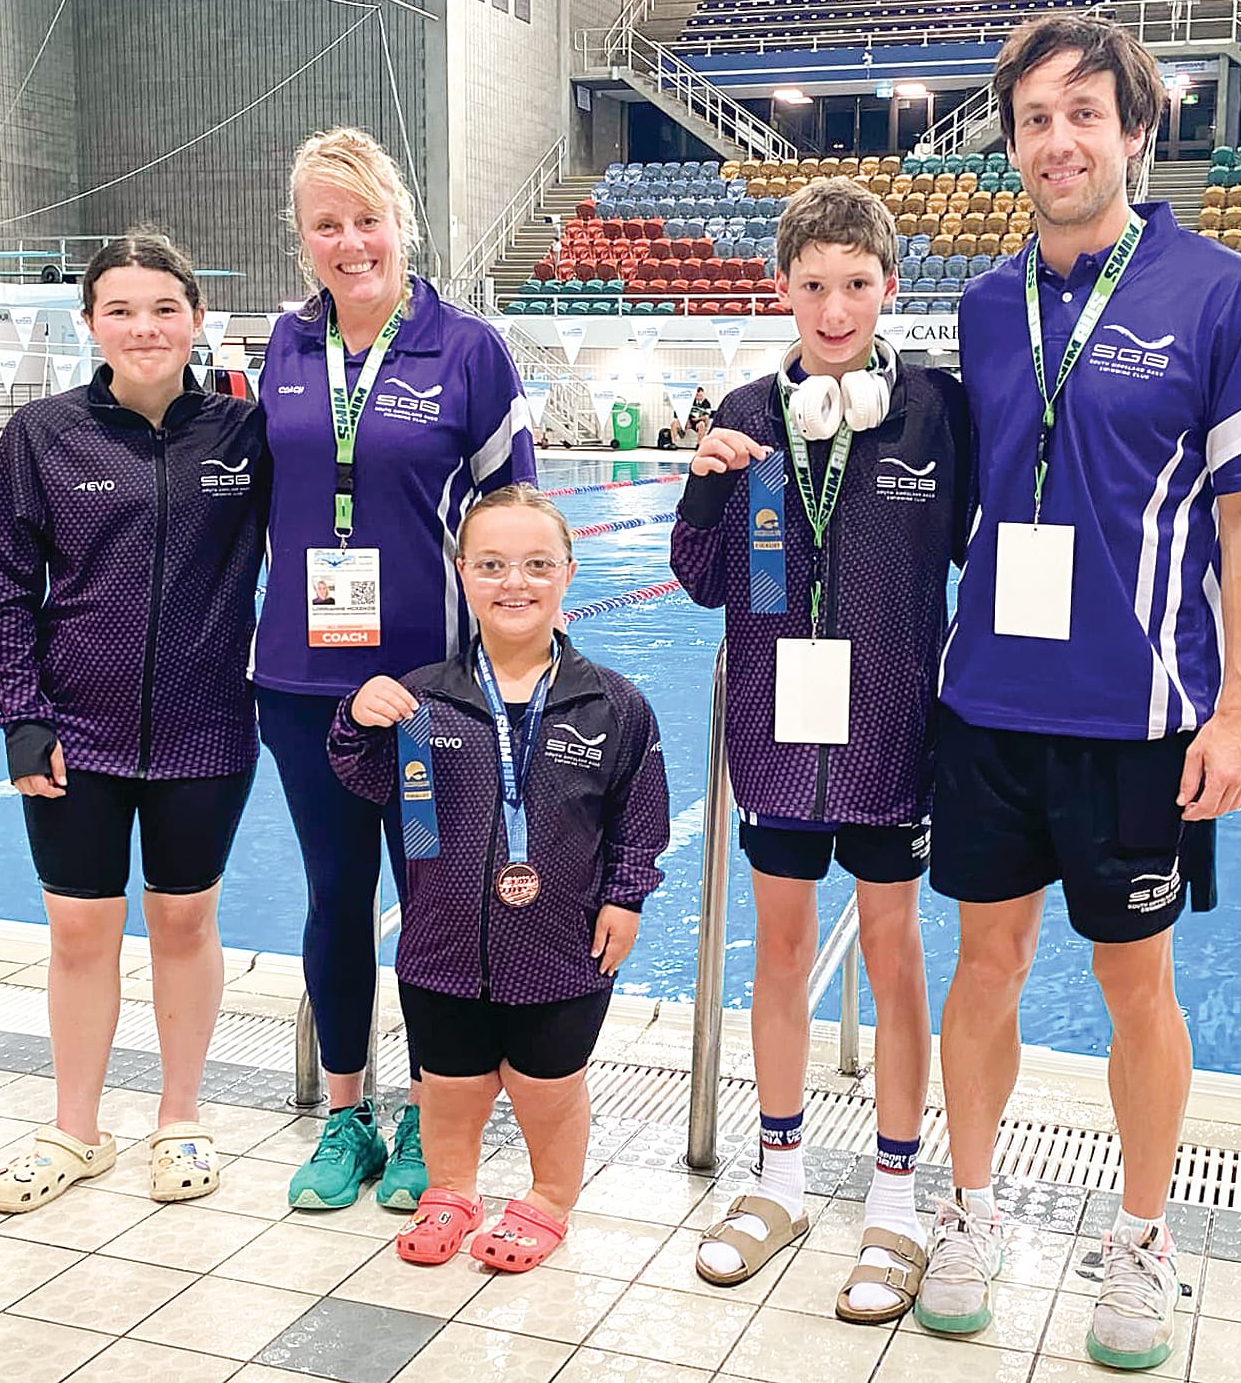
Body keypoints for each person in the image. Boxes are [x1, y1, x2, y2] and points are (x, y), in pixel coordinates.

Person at [917, 15, 1241, 1371]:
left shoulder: (1218, 292)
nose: (1058, 139)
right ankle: (972, 1212)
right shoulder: (980, 307)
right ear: (1012, 143)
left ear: (1137, 132)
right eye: (1034, 118)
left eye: (1086, 113)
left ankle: (1142, 1238)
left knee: (1137, 986)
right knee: (985, 969)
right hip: (987, 711)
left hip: (1141, 721)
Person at [671, 176, 971, 1324]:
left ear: (888, 289)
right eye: (812, 286)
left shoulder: (933, 414)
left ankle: (895, 1194)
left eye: (855, 285)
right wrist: (705, 491)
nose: (834, 308)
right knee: (781, 948)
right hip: (777, 736)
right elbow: (706, 583)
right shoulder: (748, 408)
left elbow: (983, 555)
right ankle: (780, 1175)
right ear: (782, 289)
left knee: (893, 952)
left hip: (893, 736)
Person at [254, 127, 535, 1212]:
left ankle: (428, 1115)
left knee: (432, 904)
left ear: (400, 222)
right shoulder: (279, 350)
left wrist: (510, 673)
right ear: (304, 238)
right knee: (336, 897)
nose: (349, 240)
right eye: (326, 223)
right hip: (302, 687)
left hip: (435, 693)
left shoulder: (469, 351)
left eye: (366, 217)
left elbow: (514, 519)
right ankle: (345, 1117)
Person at [0, 233, 267, 1213]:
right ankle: (76, 1128)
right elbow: (6, 584)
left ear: (195, 317)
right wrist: (22, 714)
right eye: (121, 309)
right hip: (75, 730)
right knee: (77, 933)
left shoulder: (243, 436)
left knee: (185, 919)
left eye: (163, 308)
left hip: (208, 728)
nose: (144, 327)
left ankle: (180, 1115)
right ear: (89, 321)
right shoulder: (42, 435)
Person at [327, 485, 669, 1271]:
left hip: (560, 944)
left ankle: (549, 1198)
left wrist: (626, 895)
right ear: (463, 574)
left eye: (536, 564)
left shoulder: (611, 704)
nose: (515, 583)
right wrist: (353, 718)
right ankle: (452, 1188)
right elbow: (365, 780)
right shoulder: (426, 699)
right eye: (492, 565)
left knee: (548, 1083)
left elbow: (641, 812)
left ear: (569, 573)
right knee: (447, 1081)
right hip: (443, 941)